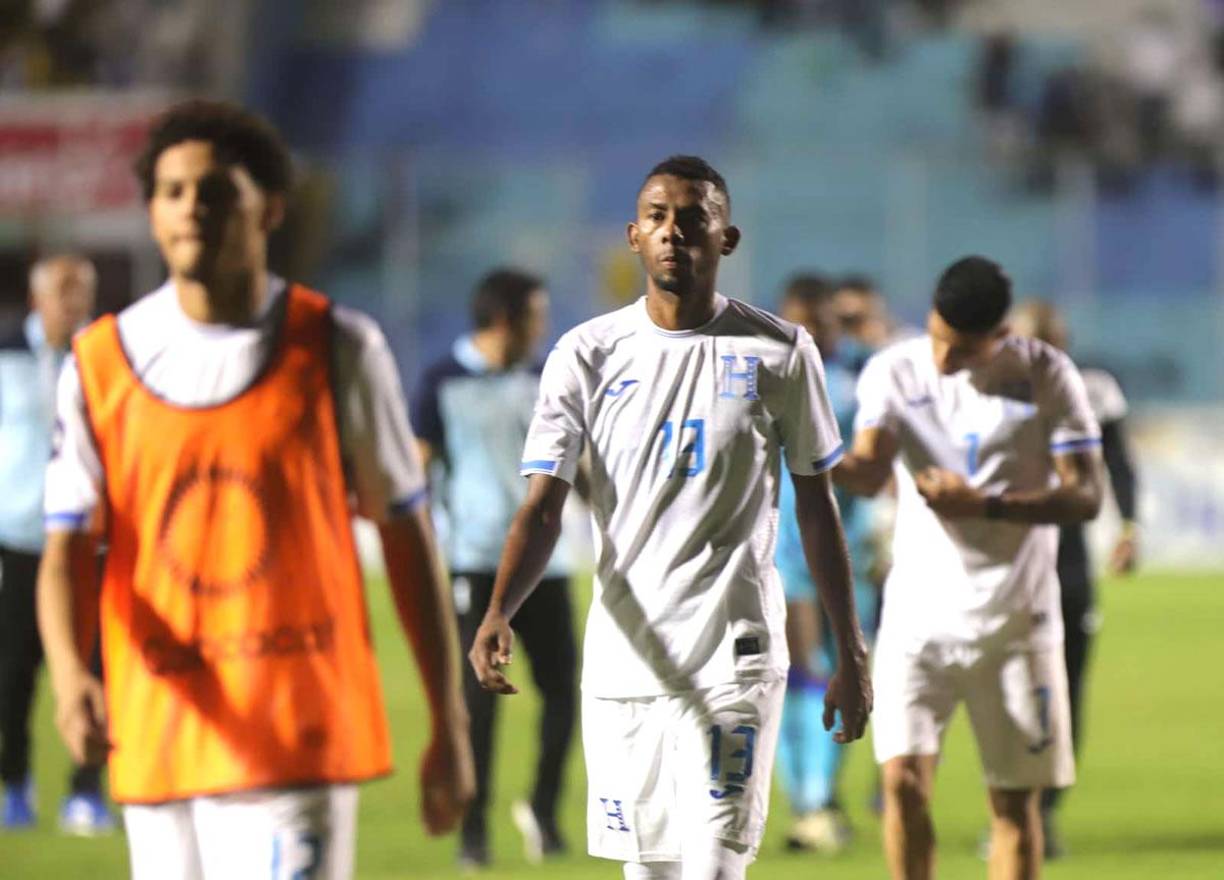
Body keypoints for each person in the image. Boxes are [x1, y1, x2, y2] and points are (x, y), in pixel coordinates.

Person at [36, 99, 474, 879]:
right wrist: (72, 680)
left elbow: (407, 539)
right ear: (149, 212)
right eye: (172, 191)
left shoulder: (338, 348)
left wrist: (449, 722)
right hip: (160, 730)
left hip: (295, 732)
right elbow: (67, 546)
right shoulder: (98, 365)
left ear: (270, 207)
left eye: (215, 190)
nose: (191, 209)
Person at [468, 155, 872, 880]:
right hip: (626, 662)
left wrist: (850, 647)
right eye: (657, 217)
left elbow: (817, 507)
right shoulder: (584, 355)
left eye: (693, 218)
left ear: (727, 238)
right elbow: (544, 504)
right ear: (632, 235)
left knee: (712, 869)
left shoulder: (781, 351)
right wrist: (501, 607)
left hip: (733, 656)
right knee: (648, 873)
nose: (673, 232)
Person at [834, 256, 1104, 880]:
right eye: (937, 339)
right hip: (916, 618)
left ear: (1001, 337)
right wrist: (811, 454)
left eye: (961, 352)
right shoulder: (896, 369)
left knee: (1012, 802)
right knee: (901, 780)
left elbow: (1085, 496)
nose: (943, 362)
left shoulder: (1044, 374)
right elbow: (870, 471)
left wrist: (986, 504)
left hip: (1014, 621)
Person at [411, 268, 577, 869]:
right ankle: (473, 833)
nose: (545, 326)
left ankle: (543, 810)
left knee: (565, 692)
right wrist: (428, 547)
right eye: (538, 314)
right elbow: (418, 470)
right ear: (508, 319)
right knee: (478, 704)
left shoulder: (544, 382)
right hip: (475, 564)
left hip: (544, 563)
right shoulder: (442, 382)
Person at [1010, 298, 1139, 858]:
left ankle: (1044, 811)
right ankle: (1015, 809)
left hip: (1066, 565)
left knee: (1065, 686)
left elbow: (1121, 462)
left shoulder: (1093, 390)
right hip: (1005, 564)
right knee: (1008, 689)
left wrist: (1129, 524)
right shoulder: (987, 394)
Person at [0, 253, 112, 834]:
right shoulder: (5, 354)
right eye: (64, 292)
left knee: (98, 667)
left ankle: (86, 793)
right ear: (37, 296)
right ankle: (14, 786)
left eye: (83, 293)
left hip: (85, 542)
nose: (74, 304)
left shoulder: (103, 361)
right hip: (17, 539)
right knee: (13, 674)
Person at [772, 275, 882, 853]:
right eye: (802, 320)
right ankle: (808, 803)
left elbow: (874, 461)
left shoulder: (861, 376)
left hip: (849, 550)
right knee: (796, 677)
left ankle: (819, 798)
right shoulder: (768, 375)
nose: (811, 331)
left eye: (822, 321)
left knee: (841, 674)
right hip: (781, 552)